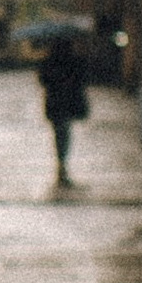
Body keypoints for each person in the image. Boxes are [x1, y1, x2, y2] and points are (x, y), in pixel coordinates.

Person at [39, 37, 89, 185]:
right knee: (64, 134)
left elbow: (42, 80)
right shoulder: (73, 61)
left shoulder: (49, 61)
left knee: (60, 133)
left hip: (55, 103)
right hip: (67, 103)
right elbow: (83, 77)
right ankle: (62, 165)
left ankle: (61, 164)